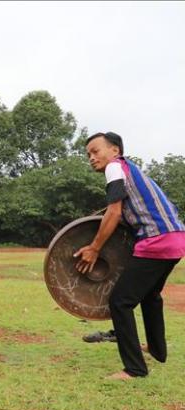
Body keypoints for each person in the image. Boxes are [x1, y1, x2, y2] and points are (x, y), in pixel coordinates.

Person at [74, 132, 185, 380]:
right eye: (88, 154)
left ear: (115, 151)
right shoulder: (132, 171)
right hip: (176, 238)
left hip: (156, 241)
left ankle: (134, 369)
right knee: (150, 296)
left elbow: (113, 213)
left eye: (96, 151)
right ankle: (157, 349)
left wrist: (94, 248)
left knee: (120, 302)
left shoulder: (114, 168)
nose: (91, 158)